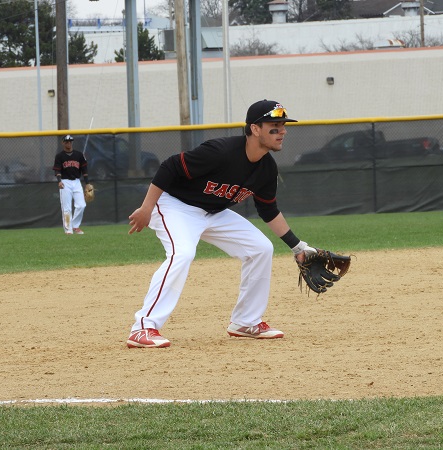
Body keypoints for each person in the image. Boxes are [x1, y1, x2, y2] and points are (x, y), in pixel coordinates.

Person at [126, 99, 318, 348]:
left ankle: (245, 322)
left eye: (283, 125)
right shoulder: (221, 152)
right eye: (275, 125)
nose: (282, 131)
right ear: (255, 128)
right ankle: (143, 327)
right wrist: (147, 207)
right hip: (175, 205)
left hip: (213, 212)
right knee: (182, 253)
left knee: (260, 248)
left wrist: (298, 248)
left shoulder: (267, 168)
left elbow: (268, 209)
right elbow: (169, 166)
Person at [53, 134, 89, 235]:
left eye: (70, 141)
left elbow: (84, 170)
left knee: (81, 205)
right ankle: (68, 229)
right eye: (66, 141)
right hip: (65, 182)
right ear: (63, 143)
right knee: (67, 207)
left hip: (77, 181)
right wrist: (59, 180)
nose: (68, 143)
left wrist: (87, 183)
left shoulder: (79, 155)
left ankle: (75, 226)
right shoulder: (59, 156)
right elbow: (57, 170)